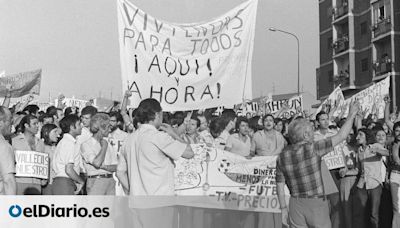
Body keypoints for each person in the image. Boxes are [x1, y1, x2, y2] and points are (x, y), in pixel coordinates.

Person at [276, 100, 359, 228]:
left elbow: (279, 185)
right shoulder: (313, 148)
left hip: (295, 202)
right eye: (311, 130)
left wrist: (283, 209)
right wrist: (351, 115)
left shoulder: (282, 156)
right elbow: (342, 135)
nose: (313, 134)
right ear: (305, 134)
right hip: (316, 202)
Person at [118, 98, 194, 196]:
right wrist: (173, 134)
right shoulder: (159, 137)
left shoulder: (129, 139)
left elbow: (120, 172)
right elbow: (189, 153)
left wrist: (132, 191)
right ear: (157, 115)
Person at [353, 128, 389, 228]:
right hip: (362, 185)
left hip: (375, 185)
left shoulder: (375, 146)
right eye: (357, 135)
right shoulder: (359, 151)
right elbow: (358, 169)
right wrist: (345, 171)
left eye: (360, 135)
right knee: (361, 212)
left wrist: (377, 150)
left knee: (374, 214)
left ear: (366, 136)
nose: (357, 137)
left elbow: (387, 153)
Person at [314, 111, 342, 228]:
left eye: (327, 119)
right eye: (322, 119)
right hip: (321, 171)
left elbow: (341, 151)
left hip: (335, 170)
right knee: (323, 204)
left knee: (336, 204)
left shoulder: (335, 133)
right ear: (317, 122)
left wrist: (343, 166)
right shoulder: (313, 136)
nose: (326, 122)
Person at [81, 113, 117, 195]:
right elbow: (97, 163)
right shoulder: (86, 144)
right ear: (101, 128)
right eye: (108, 127)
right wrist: (104, 147)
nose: (110, 130)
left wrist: (104, 167)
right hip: (96, 181)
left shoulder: (108, 143)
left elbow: (116, 166)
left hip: (110, 181)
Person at [12, 114, 46, 195]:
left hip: (37, 183)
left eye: (38, 124)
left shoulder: (40, 143)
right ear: (26, 125)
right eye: (34, 124)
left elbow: (43, 163)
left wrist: (44, 178)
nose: (37, 126)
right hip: (20, 182)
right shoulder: (14, 141)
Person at [52, 115, 84, 195]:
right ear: (72, 127)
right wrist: (81, 181)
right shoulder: (69, 143)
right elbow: (69, 170)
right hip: (65, 182)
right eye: (79, 124)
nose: (81, 127)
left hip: (63, 182)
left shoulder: (65, 141)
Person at [338, 128, 358, 228]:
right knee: (346, 208)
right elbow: (341, 171)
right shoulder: (339, 148)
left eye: (352, 134)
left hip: (358, 180)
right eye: (347, 134)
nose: (350, 136)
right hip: (345, 180)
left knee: (357, 209)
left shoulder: (357, 147)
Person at [0, 106, 16, 195]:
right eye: (10, 119)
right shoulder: (3, 146)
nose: (12, 123)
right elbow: (8, 180)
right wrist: (12, 206)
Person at [41, 124, 60, 195]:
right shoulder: (42, 147)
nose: (58, 135)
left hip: (58, 182)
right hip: (48, 183)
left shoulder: (58, 147)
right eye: (55, 132)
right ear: (46, 133)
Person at [391, 122, 400, 228]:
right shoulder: (393, 144)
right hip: (396, 176)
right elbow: (396, 159)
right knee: (397, 207)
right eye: (397, 130)